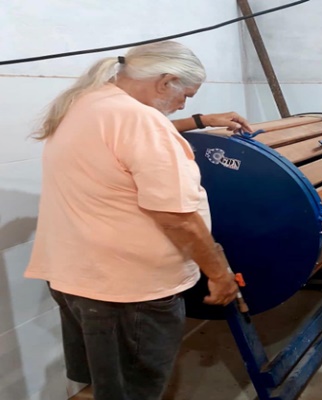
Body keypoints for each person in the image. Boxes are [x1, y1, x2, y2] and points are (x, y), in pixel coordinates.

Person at [24, 41, 250, 400]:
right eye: (186, 95)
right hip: (127, 291)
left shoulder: (87, 101)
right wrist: (219, 274)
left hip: (76, 277)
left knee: (102, 385)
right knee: (132, 392)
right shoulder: (140, 120)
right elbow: (176, 217)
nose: (184, 103)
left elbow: (130, 138)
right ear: (166, 82)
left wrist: (202, 122)